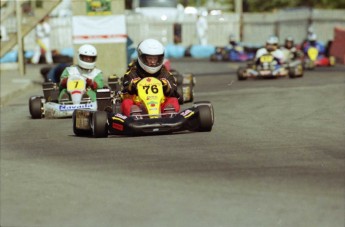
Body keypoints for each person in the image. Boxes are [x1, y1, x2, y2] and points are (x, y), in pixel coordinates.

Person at [121, 38, 180, 117]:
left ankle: (169, 114)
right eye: (150, 58)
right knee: (127, 102)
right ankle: (135, 116)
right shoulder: (132, 73)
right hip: (139, 104)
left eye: (155, 59)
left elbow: (174, 92)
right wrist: (132, 86)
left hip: (160, 104)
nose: (152, 62)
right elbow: (124, 92)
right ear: (142, 58)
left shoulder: (165, 73)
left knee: (173, 100)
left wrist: (167, 87)